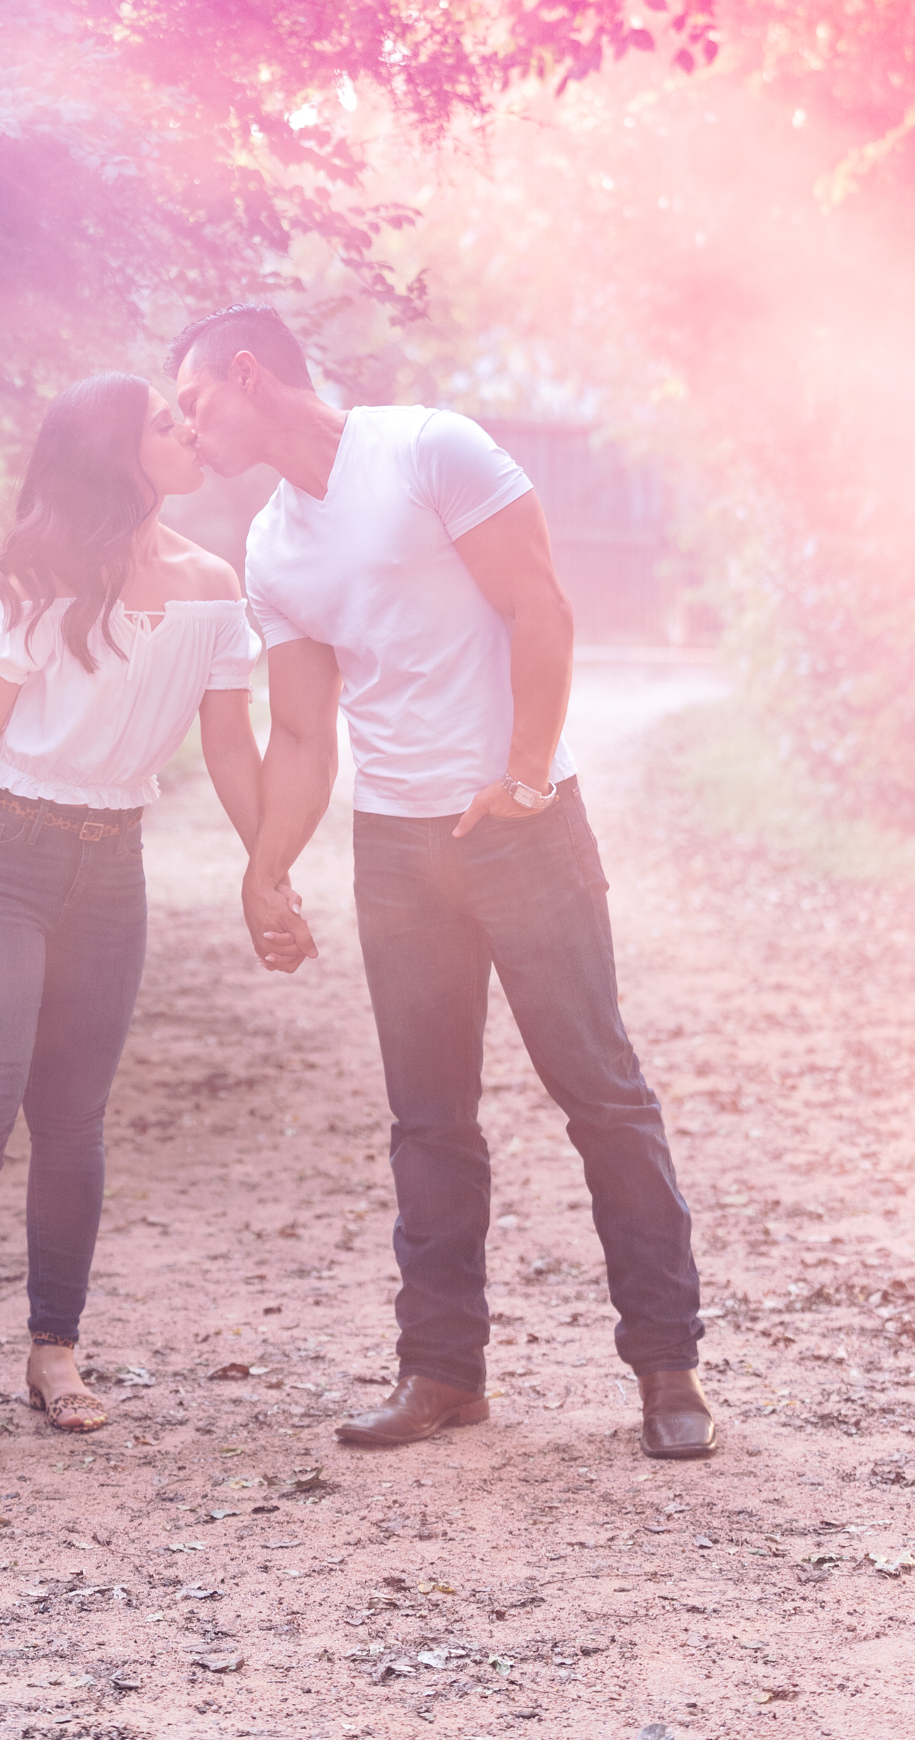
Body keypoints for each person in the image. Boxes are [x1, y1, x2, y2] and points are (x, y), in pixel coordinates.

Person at [168, 306, 716, 1463]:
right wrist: (265, 871)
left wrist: (523, 778)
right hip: (396, 849)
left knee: (600, 1094)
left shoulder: (428, 448)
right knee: (427, 1120)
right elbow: (304, 736)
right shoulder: (272, 547)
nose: (184, 429)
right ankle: (442, 1374)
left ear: (247, 373)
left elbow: (540, 606)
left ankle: (669, 1372)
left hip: (522, 828)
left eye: (191, 401)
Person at [0, 373, 263, 1473]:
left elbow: (228, 747)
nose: (186, 431)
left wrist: (267, 865)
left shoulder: (211, 585)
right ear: (114, 454)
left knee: (75, 1124)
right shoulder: (35, 578)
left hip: (111, 869)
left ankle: (54, 1354)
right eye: (162, 423)